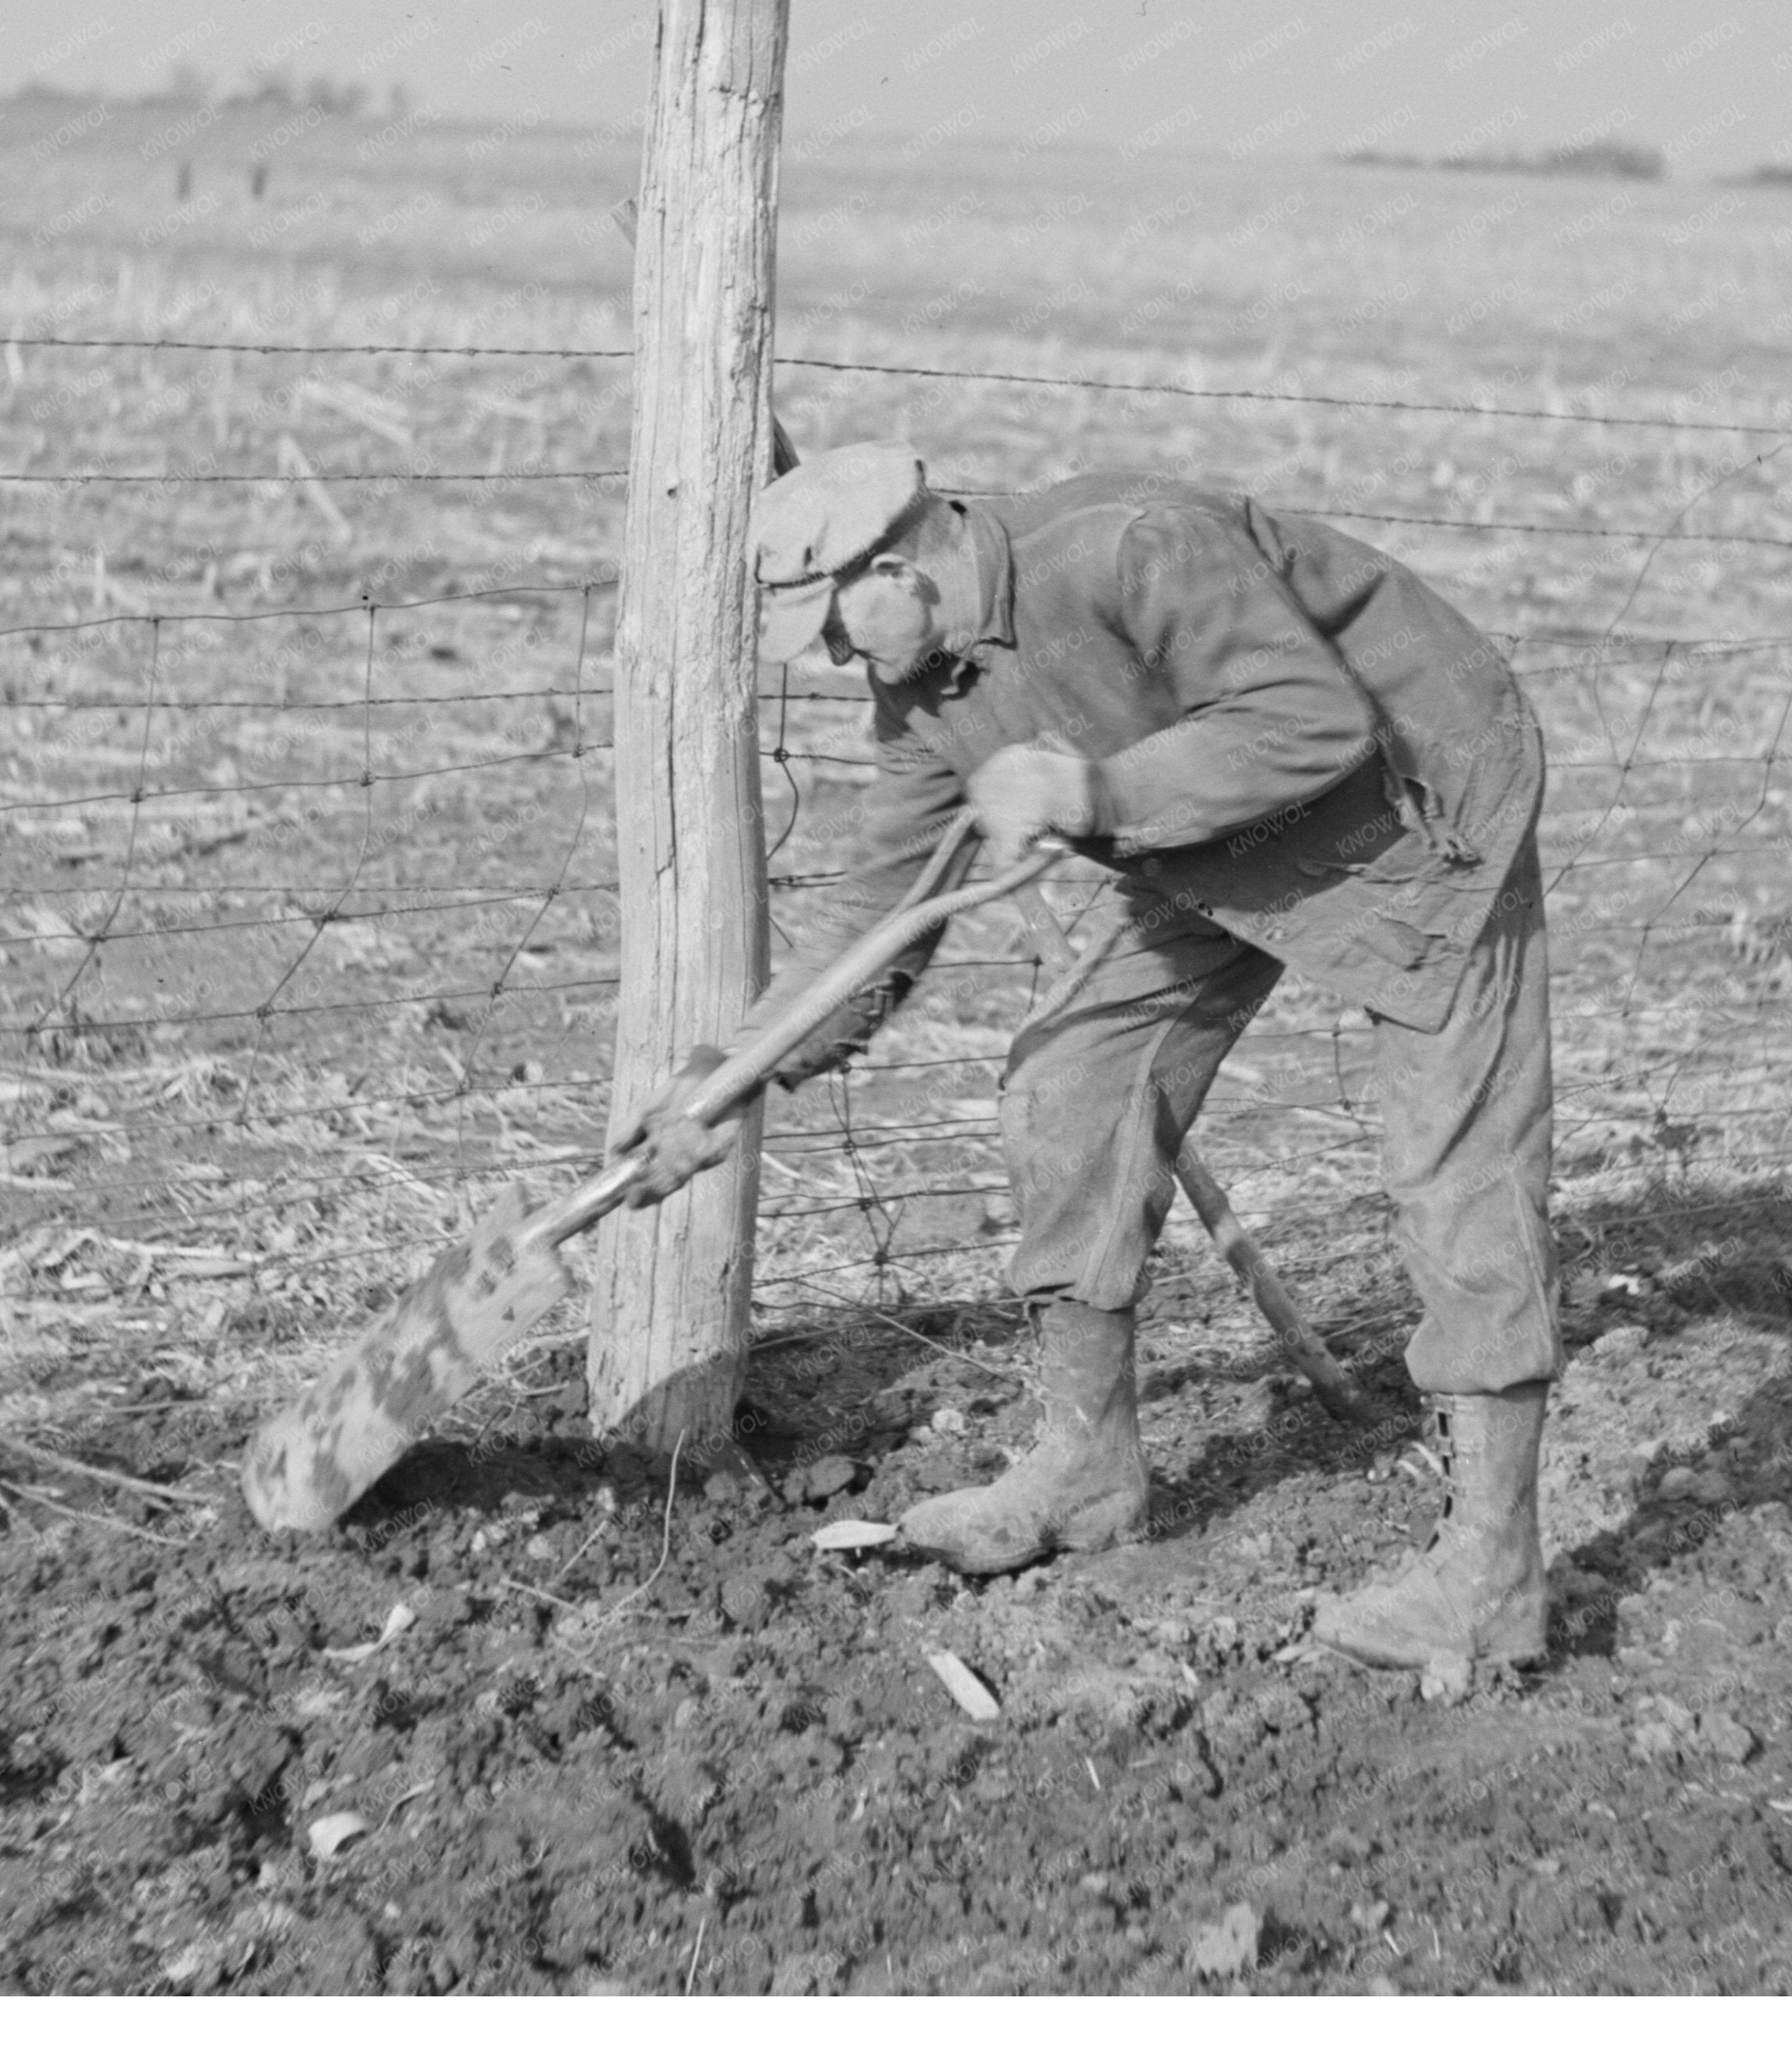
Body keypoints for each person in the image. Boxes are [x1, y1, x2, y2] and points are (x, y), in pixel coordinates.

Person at [617, 442, 1560, 1677]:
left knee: (1453, 1171)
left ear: (896, 564)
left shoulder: (1129, 544)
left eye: (835, 627)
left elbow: (1309, 720)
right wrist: (731, 1077)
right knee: (1072, 1083)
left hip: (1417, 794)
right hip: (1218, 844)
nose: (839, 662)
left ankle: (1492, 1576)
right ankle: (1087, 1468)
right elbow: (872, 928)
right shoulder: (926, 699)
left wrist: (1092, 786)